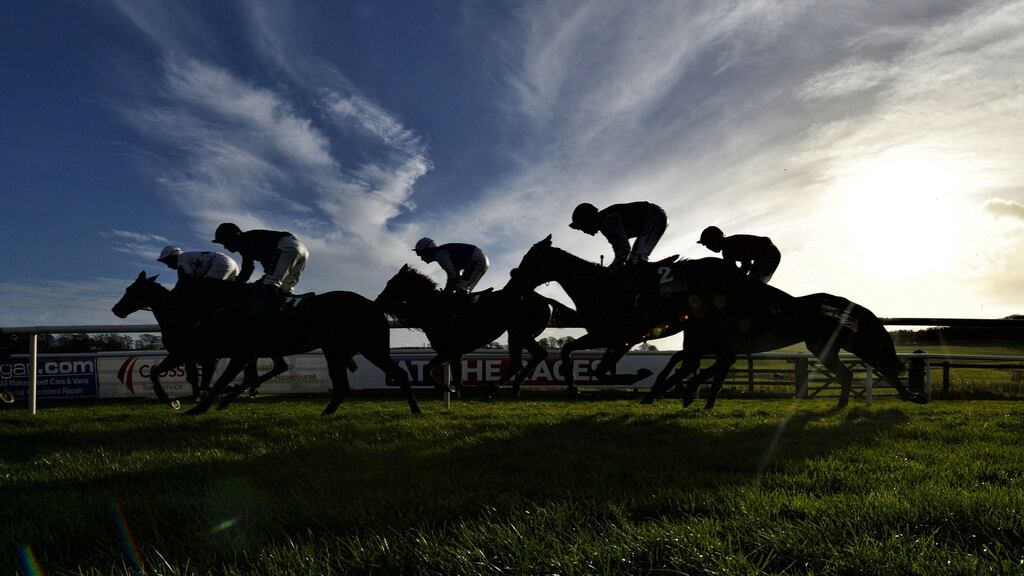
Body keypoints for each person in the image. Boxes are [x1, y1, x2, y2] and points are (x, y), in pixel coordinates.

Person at [211, 223, 309, 294]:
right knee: (285, 290)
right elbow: (268, 264)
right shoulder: (252, 239)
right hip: (302, 250)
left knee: (270, 285)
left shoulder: (243, 241)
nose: (225, 247)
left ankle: (270, 318)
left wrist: (233, 284)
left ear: (231, 237)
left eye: (224, 242)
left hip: (286, 247)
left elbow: (248, 269)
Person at [568, 201, 668, 269]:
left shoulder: (608, 220)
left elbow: (623, 249)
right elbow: (620, 252)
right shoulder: (604, 225)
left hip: (654, 216)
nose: (584, 232)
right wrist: (615, 266)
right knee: (632, 262)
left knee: (637, 259)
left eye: (582, 228)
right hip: (650, 218)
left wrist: (611, 269)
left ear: (588, 220)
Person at [697, 226, 781, 283]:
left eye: (707, 244)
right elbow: (733, 272)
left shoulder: (732, 243)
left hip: (770, 253)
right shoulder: (726, 253)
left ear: (714, 240)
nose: (708, 248)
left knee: (753, 284)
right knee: (750, 283)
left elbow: (746, 265)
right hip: (764, 255)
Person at [413, 238, 489, 294]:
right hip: (479, 259)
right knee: (462, 290)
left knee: (462, 290)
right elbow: (456, 277)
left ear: (427, 251)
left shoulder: (440, 255)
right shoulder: (441, 253)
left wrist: (446, 291)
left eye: (421, 254)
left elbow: (453, 276)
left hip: (476, 260)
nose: (422, 259)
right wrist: (449, 290)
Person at [156, 246, 240, 281]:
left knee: (205, 289)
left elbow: (186, 280)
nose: (168, 266)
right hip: (232, 263)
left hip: (220, 263)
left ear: (172, 257)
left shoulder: (181, 258)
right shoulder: (187, 256)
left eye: (167, 262)